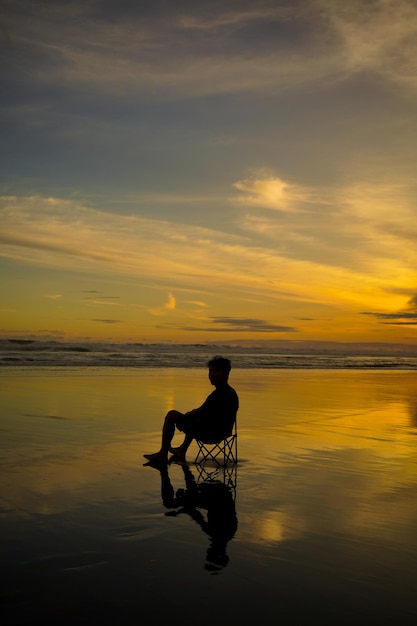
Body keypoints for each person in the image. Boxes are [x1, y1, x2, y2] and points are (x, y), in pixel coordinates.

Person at [143, 356, 239, 463]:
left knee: (172, 415)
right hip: (223, 433)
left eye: (215, 371)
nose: (211, 375)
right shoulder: (232, 392)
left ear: (226, 374)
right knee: (192, 419)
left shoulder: (218, 395)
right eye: (210, 371)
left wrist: (188, 415)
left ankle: (163, 453)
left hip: (211, 434)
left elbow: (200, 412)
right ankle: (182, 449)